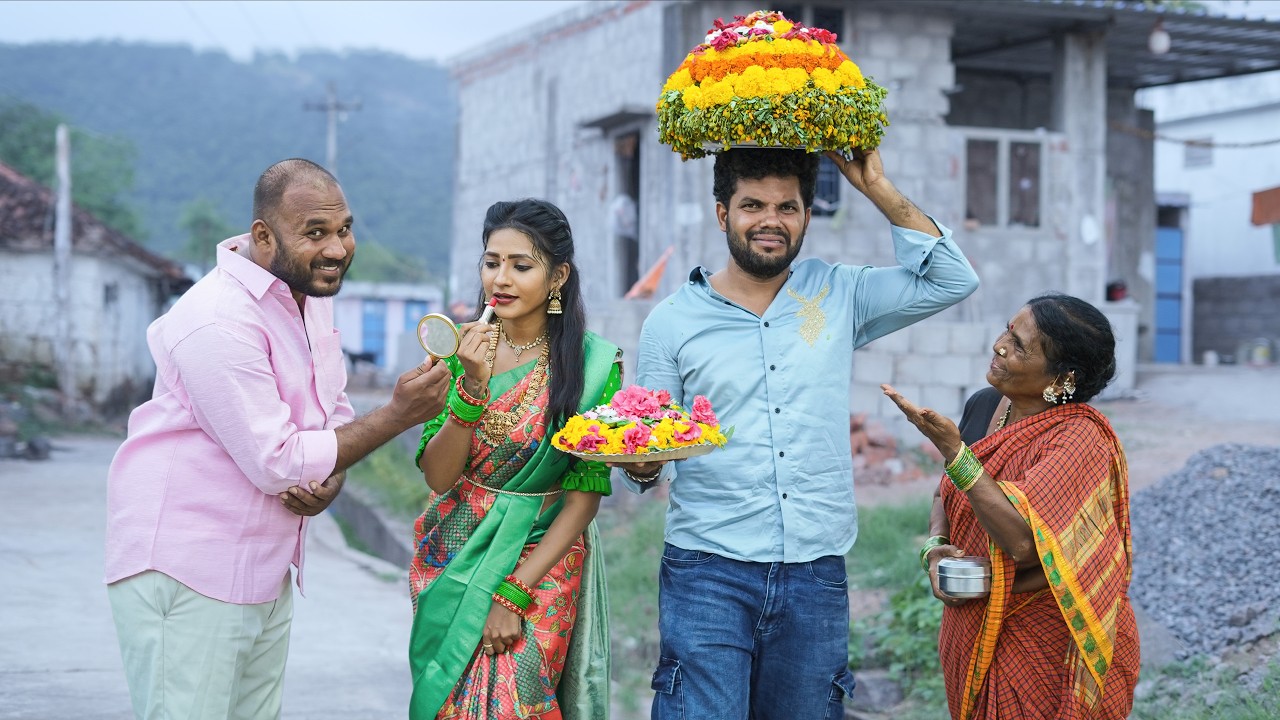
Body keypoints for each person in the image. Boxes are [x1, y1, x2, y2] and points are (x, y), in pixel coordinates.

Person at [619, 147, 980, 719]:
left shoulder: (840, 294)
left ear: (807, 216)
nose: (771, 220)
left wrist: (878, 188)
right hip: (706, 570)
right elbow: (650, 442)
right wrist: (642, 464)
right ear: (722, 214)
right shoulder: (672, 320)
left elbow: (953, 277)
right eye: (752, 205)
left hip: (815, 569)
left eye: (788, 207)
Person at [104, 158, 452, 719]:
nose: (337, 248)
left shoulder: (306, 298)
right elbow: (278, 461)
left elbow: (329, 414)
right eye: (315, 233)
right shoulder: (217, 319)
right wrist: (397, 416)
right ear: (263, 236)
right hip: (189, 569)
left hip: (263, 570)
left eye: (343, 229)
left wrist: (331, 476)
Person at [408, 198, 620, 720]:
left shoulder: (592, 366)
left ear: (558, 276)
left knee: (515, 703)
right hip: (456, 549)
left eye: (520, 266)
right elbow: (439, 476)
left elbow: (584, 495)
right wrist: (472, 388)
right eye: (491, 262)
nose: (500, 279)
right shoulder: (460, 354)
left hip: (542, 561)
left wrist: (513, 594)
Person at [884, 293, 1140, 719]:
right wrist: (935, 548)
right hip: (971, 626)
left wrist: (954, 451)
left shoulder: (1079, 439)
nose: (999, 345)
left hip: (1046, 645)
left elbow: (1022, 543)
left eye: (1019, 345)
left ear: (1062, 380)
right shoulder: (985, 405)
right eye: (1007, 329)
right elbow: (944, 493)